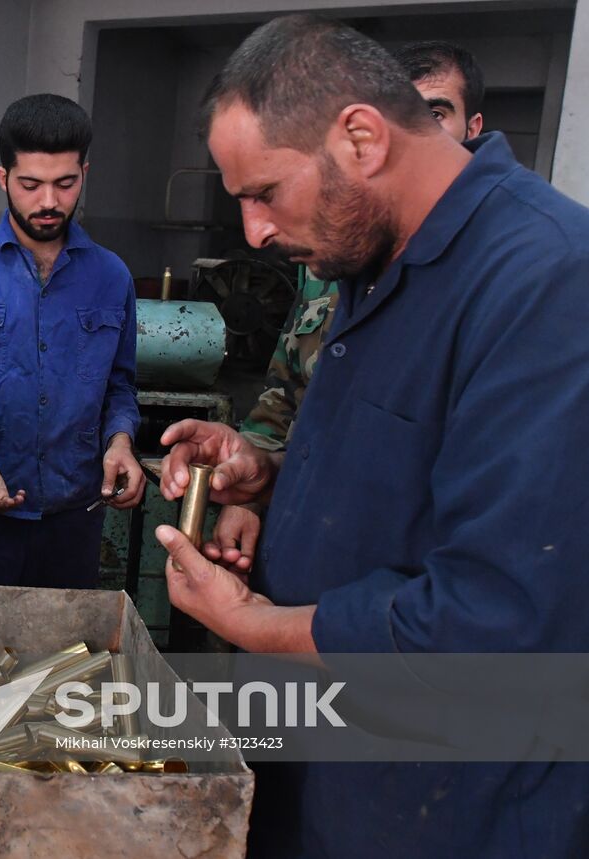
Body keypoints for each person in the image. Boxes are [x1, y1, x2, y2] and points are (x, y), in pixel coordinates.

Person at [155, 15, 589, 857]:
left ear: (361, 138)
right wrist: (272, 477)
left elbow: (484, 626)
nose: (254, 234)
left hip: (438, 805)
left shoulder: (546, 286)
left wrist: (253, 623)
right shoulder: (370, 256)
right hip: (316, 767)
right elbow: (411, 471)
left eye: (263, 193)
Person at [220, 39, 488, 573]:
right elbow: (288, 383)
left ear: (473, 127)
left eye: (434, 114)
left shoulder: (502, 274)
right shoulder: (335, 253)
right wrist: (254, 487)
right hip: (302, 552)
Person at [0, 94, 143, 588]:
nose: (49, 202)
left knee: (66, 656)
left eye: (65, 183)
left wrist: (120, 442)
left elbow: (119, 385)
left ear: (84, 173)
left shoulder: (112, 276)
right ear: (3, 179)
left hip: (77, 515)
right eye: (31, 184)